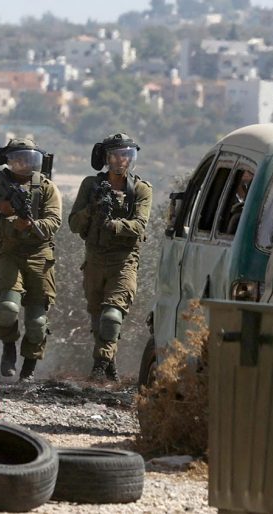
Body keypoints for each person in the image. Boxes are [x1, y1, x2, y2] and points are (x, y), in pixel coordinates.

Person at [0, 138, 62, 382]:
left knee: (37, 321)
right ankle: (9, 348)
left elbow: (54, 221)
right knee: (8, 309)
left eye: (28, 159)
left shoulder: (46, 188)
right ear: (10, 161)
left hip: (40, 257)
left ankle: (29, 367)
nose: (23, 164)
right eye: (18, 159)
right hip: (11, 254)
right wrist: (0, 209)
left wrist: (31, 225)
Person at [68, 133, 152, 382]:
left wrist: (113, 225)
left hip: (123, 261)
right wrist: (92, 209)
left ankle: (99, 367)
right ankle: (111, 367)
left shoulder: (140, 189)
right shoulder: (90, 185)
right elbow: (73, 223)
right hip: (94, 259)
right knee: (98, 319)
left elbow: (139, 226)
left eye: (126, 154)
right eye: (116, 154)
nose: (121, 159)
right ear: (107, 158)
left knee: (112, 316)